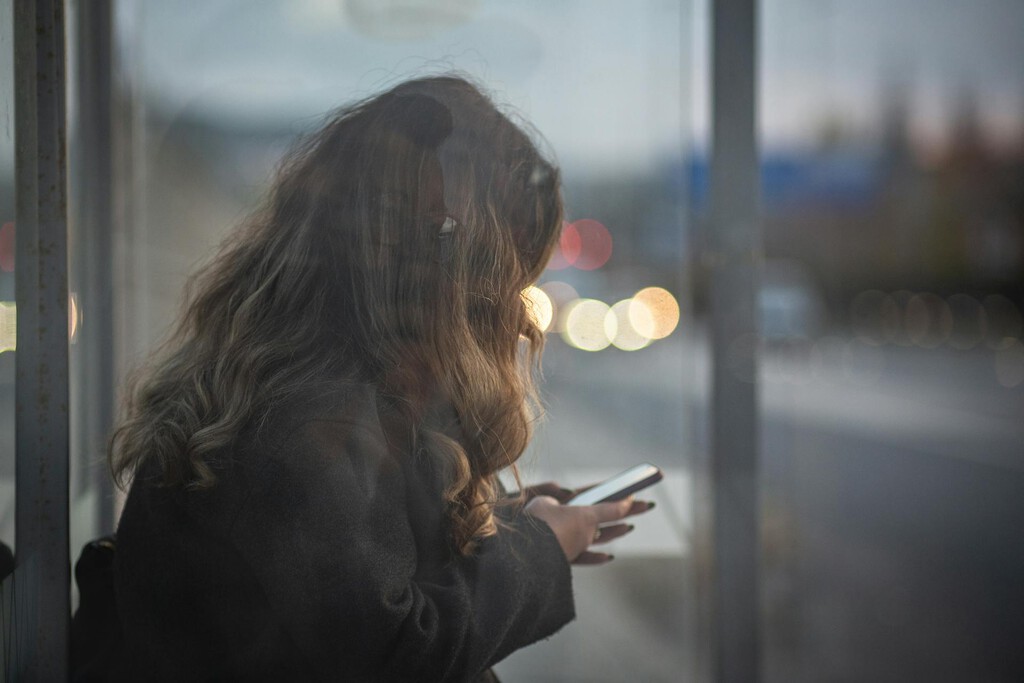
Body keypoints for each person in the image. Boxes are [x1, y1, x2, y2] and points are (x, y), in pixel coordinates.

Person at [105, 75, 651, 682]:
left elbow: (360, 564)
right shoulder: (306, 421)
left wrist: (510, 523)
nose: (510, 307)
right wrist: (538, 552)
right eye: (499, 273)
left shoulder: (302, 385)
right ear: (434, 265)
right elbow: (393, 650)